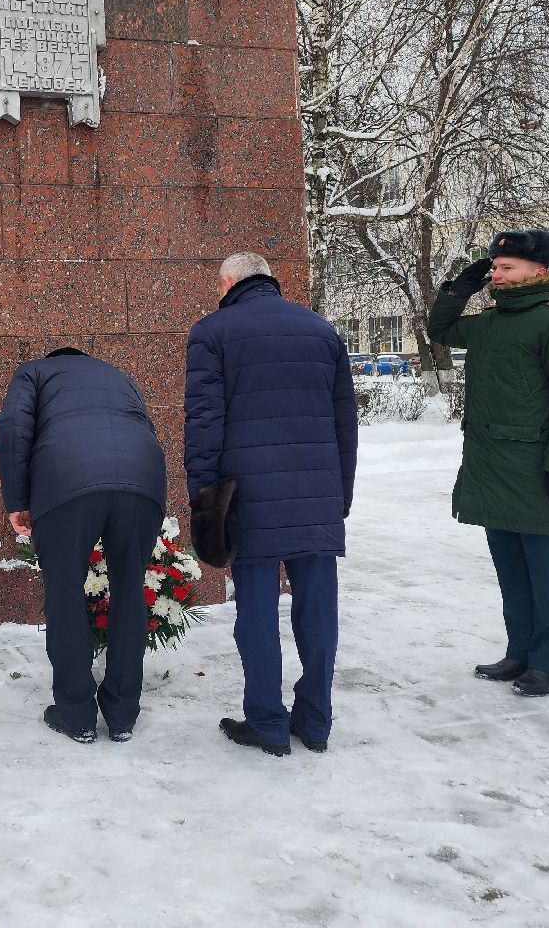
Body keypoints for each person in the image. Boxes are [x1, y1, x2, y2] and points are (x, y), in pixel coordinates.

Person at [184, 252, 357, 756]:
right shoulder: (322, 331)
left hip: (247, 499)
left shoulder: (212, 333)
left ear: (228, 282)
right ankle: (316, 721)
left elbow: (203, 425)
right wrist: (338, 496)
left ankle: (266, 722)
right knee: (318, 612)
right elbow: (345, 424)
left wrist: (205, 500)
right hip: (317, 497)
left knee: (256, 612)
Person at [428, 229, 549, 697]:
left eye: (506, 268)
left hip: (536, 467)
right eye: (494, 268)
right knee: (510, 567)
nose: (496, 276)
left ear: (537, 271)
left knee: (545, 569)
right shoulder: (488, 322)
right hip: (490, 465)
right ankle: (519, 652)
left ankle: (548, 663)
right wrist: (457, 290)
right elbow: (439, 332)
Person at [0, 348, 167, 744]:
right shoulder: (117, 374)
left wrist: (17, 501)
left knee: (64, 592)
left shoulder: (33, 372)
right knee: (129, 588)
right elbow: (144, 426)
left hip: (67, 480)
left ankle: (75, 713)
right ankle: (123, 713)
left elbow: (13, 429)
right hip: (141, 479)